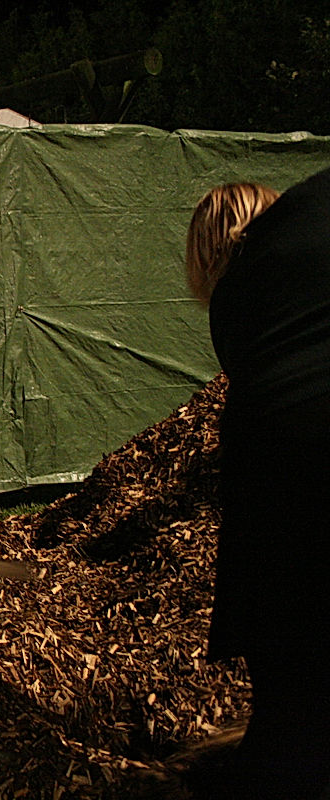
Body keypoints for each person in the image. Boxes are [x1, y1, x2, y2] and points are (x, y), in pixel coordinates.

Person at [185, 177, 330, 799]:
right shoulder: (305, 239)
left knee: (288, 640)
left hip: (275, 477)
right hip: (286, 465)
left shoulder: (237, 303)